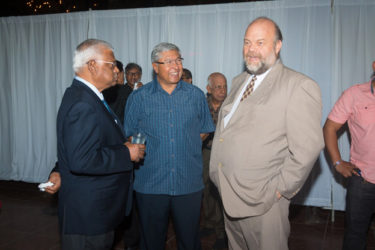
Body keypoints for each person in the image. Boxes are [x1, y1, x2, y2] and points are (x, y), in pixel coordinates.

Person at [209, 17, 324, 250]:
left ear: (278, 46)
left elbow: (307, 148)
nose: (251, 49)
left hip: (263, 202)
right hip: (229, 194)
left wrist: (279, 190)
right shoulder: (239, 80)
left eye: (260, 42)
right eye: (247, 42)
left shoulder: (298, 85)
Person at [124, 42, 215, 250]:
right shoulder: (139, 98)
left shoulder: (195, 95)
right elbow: (129, 134)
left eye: (178, 60)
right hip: (151, 183)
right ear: (155, 67)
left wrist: (184, 143)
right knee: (151, 242)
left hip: (188, 183)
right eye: (169, 61)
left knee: (189, 240)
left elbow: (204, 129)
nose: (176, 66)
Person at [56, 39, 145, 250]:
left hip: (95, 209)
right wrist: (125, 153)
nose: (116, 70)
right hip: (89, 214)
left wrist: (121, 144)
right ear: (92, 65)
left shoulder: (88, 96)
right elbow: (82, 160)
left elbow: (86, 144)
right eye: (111, 64)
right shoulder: (83, 103)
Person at [323, 60, 375, 250]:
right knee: (355, 235)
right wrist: (337, 162)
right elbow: (329, 127)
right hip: (363, 182)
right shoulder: (354, 94)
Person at [201, 72, 227, 249]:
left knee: (219, 193)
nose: (222, 90)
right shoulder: (200, 104)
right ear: (209, 89)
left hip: (225, 155)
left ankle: (221, 232)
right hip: (204, 152)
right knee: (205, 190)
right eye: (218, 86)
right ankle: (210, 223)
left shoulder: (232, 105)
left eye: (224, 86)